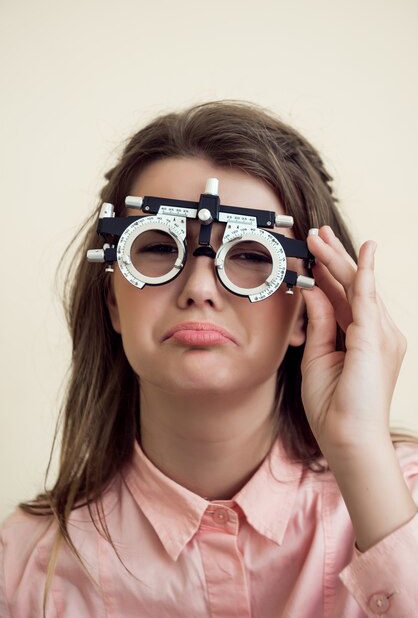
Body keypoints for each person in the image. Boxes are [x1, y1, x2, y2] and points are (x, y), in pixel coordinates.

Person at [1, 101, 417, 618]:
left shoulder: (405, 501)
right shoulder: (24, 569)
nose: (199, 287)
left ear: (307, 312)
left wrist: (360, 449)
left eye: (248, 256)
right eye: (155, 247)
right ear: (112, 299)